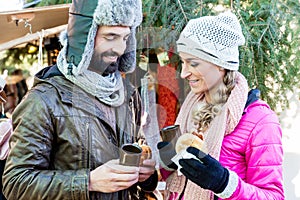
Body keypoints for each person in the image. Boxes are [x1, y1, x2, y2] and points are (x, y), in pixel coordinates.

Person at [2, 0, 158, 199]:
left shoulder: (127, 95)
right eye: (110, 37)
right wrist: (89, 182)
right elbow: (16, 183)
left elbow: (136, 145)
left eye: (125, 38)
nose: (119, 48)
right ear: (85, 37)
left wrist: (146, 176)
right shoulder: (44, 100)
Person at [157, 11, 284, 199]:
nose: (184, 73)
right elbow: (181, 183)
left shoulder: (260, 121)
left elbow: (274, 196)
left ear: (220, 64)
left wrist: (224, 183)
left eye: (193, 63)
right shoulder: (192, 108)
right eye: (183, 62)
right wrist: (166, 166)